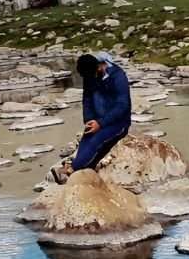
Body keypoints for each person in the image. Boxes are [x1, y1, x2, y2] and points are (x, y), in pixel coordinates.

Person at [51, 51, 132, 184]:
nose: (90, 78)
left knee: (97, 140)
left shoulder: (118, 77)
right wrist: (89, 120)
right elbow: (87, 100)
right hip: (97, 120)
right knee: (86, 139)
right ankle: (77, 168)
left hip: (117, 122)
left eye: (92, 74)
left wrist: (101, 123)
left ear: (100, 67)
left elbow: (122, 106)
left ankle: (71, 171)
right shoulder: (90, 75)